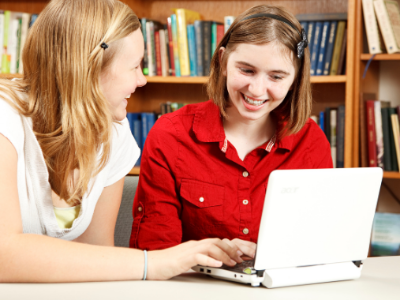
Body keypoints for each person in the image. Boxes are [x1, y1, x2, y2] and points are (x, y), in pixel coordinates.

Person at [0, 0, 243, 283]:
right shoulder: (6, 120)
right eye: (135, 66)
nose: (142, 81)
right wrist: (154, 262)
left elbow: (97, 255)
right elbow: (4, 254)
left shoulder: (115, 135)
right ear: (88, 69)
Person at [130, 5, 333, 258]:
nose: (257, 90)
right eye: (246, 70)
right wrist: (203, 255)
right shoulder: (171, 134)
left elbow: (321, 242)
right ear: (223, 61)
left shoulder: (311, 141)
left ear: (295, 79)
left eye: (276, 77)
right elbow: (154, 254)